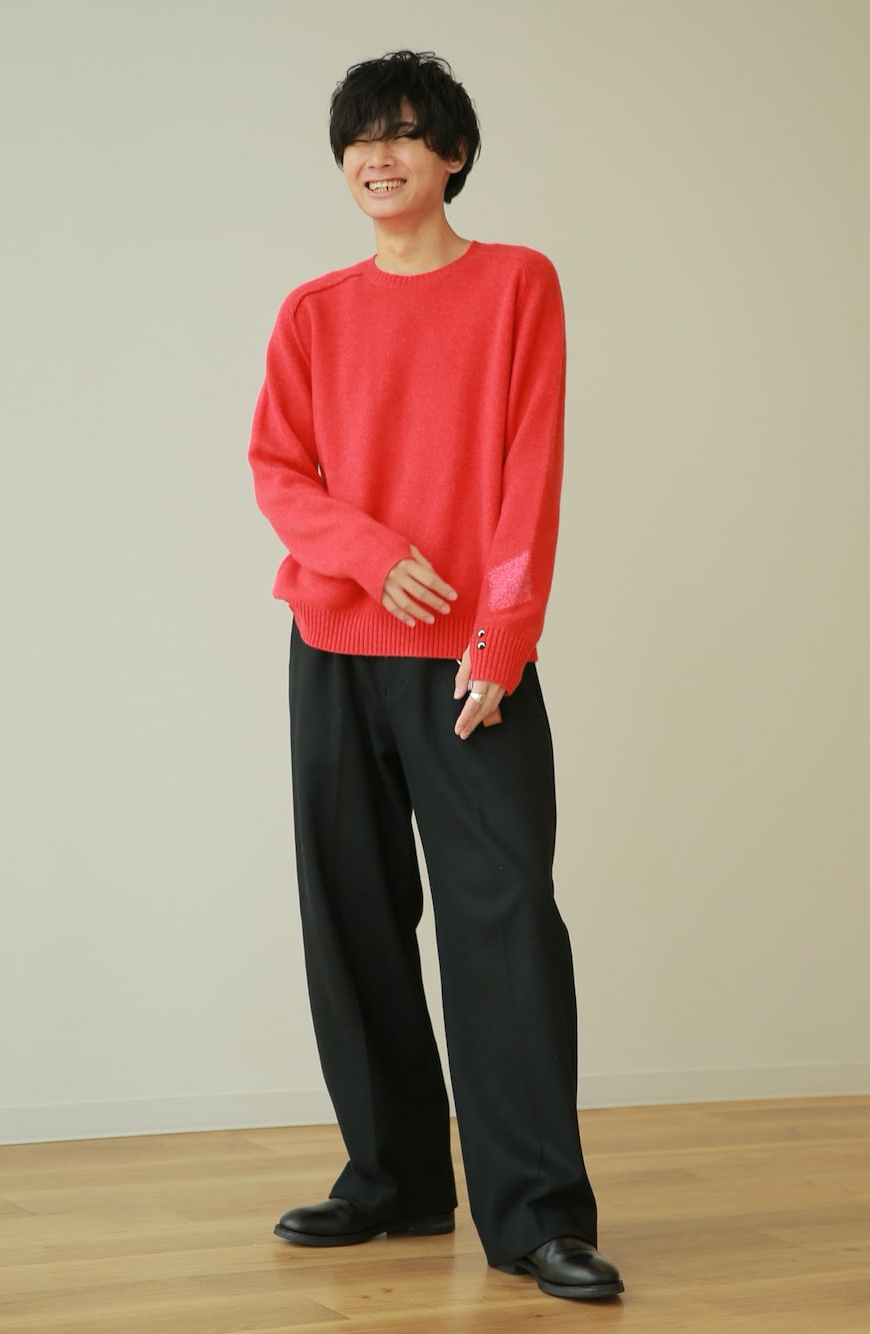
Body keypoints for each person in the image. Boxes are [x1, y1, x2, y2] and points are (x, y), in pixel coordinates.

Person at [248, 49, 623, 1303]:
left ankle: (538, 1216)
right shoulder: (313, 312)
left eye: (406, 133)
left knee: (504, 920)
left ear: (452, 154)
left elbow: (530, 469)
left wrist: (500, 638)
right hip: (333, 652)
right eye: (362, 136)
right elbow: (277, 472)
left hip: (470, 663)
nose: (380, 154)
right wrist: (370, 553)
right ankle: (394, 1178)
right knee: (352, 914)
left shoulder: (517, 284)